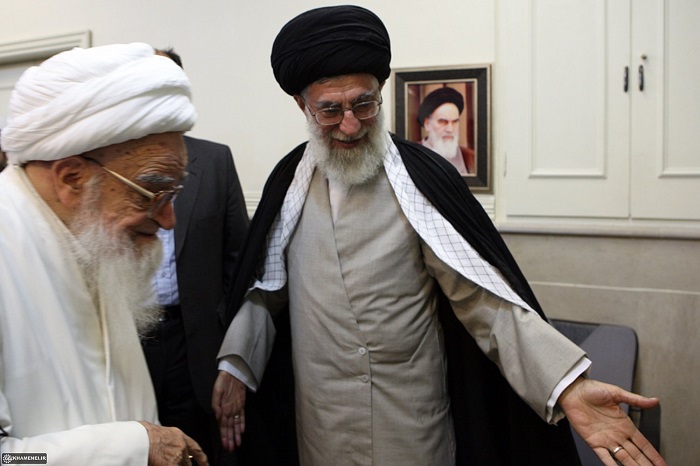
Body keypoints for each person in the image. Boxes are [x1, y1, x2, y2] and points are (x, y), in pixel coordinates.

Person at [212, 5, 666, 466]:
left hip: (411, 430)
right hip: (321, 431)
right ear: (302, 105)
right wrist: (235, 364)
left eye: (364, 104)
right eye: (330, 110)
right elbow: (266, 290)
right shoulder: (287, 185)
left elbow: (485, 304)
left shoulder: (421, 181)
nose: (350, 125)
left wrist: (567, 384)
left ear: (381, 91)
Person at [0, 42, 208, 466]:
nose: (168, 220)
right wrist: (133, 448)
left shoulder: (96, 240)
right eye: (152, 192)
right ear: (72, 179)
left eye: (173, 193)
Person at [142, 48, 249, 465]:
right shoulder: (105, 166)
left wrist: (234, 360)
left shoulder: (215, 161)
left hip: (200, 349)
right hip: (135, 342)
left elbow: (239, 267)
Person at [418, 86, 475, 175]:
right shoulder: (411, 154)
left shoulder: (470, 158)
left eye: (455, 122)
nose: (450, 129)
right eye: (442, 122)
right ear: (427, 124)